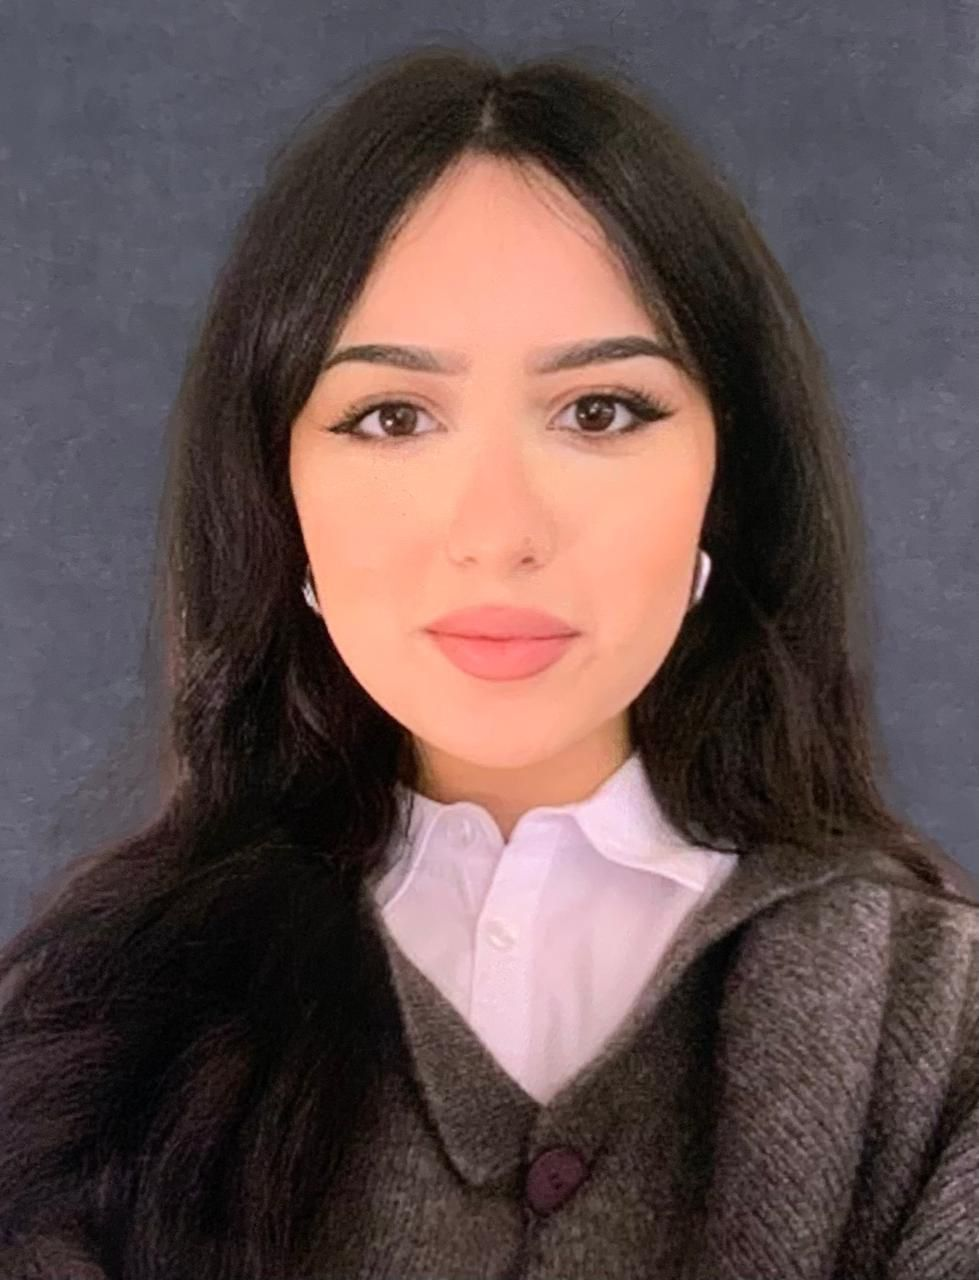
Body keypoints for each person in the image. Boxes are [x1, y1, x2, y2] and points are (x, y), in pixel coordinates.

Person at [0, 45, 976, 1280]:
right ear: (277, 497)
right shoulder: (93, 1023)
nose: (499, 530)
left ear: (725, 483)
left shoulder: (934, 1022)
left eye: (600, 411)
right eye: (391, 417)